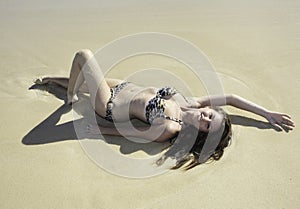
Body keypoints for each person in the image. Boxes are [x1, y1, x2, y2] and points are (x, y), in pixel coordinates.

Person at [36, 49, 295, 170]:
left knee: (83, 57)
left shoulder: (170, 126)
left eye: (207, 124)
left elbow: (133, 133)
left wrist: (99, 129)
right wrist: (266, 114)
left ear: (200, 132)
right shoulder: (191, 103)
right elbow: (231, 97)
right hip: (124, 85)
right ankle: (53, 83)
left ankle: (69, 99)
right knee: (77, 79)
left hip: (109, 105)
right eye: (211, 115)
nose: (206, 116)